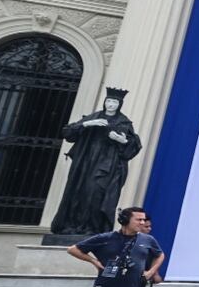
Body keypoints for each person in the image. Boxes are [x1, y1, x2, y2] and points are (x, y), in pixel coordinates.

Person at [50, 87, 142, 238]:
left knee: (96, 193)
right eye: (109, 101)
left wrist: (120, 139)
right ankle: (72, 226)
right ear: (105, 102)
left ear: (119, 104)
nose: (111, 105)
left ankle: (94, 228)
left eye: (114, 102)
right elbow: (68, 132)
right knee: (78, 192)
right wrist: (88, 124)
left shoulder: (123, 122)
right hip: (86, 163)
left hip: (107, 166)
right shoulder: (93, 117)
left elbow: (133, 144)